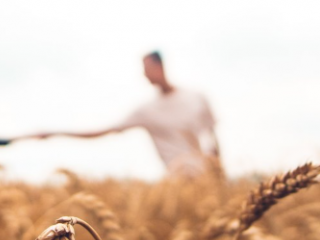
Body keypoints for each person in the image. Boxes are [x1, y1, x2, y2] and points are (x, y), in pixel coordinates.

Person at [38, 51, 220, 176]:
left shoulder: (196, 97)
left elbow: (213, 138)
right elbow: (102, 131)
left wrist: (219, 171)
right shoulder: (146, 110)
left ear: (160, 66)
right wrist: (56, 132)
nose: (144, 74)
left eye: (146, 67)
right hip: (177, 183)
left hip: (206, 181)